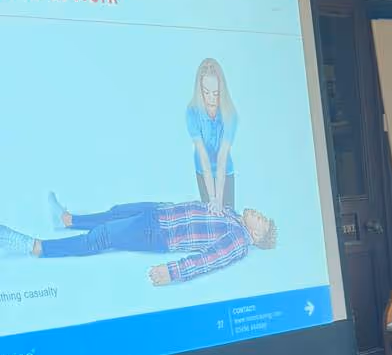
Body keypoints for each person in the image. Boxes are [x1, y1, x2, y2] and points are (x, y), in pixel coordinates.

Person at [0, 199, 277, 285]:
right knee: (117, 212)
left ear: (255, 236)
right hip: (161, 213)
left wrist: (173, 272)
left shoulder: (238, 239)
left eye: (262, 220)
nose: (259, 214)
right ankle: (69, 220)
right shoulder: (232, 215)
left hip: (159, 233)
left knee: (103, 236)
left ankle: (36, 247)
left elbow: (208, 260)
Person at [187, 58, 238, 213]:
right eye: (206, 92)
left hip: (225, 173)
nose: (211, 99)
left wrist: (219, 199)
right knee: (209, 213)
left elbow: (222, 158)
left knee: (226, 214)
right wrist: (212, 198)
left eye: (216, 93)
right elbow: (203, 157)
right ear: (200, 90)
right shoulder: (192, 112)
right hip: (203, 172)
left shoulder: (230, 115)